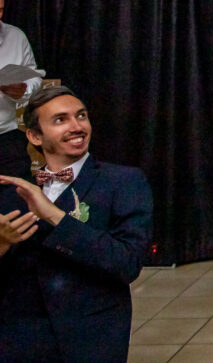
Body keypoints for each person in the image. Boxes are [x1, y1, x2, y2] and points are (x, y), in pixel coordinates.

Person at [0, 85, 153, 361]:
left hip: (89, 335)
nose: (76, 126)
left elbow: (126, 263)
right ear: (35, 136)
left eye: (81, 116)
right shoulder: (14, 192)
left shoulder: (123, 182)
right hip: (20, 339)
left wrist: (54, 215)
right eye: (60, 120)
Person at [0, 0, 43, 179]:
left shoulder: (16, 37)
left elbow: (34, 77)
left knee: (19, 199)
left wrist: (23, 89)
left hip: (6, 136)